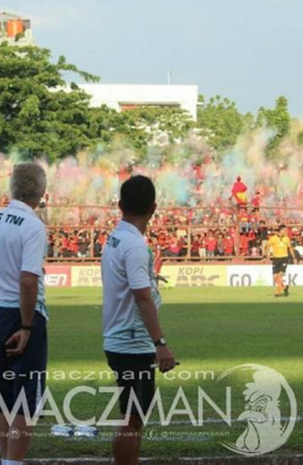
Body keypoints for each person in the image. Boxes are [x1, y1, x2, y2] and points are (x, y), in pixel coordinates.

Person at [101, 175, 176, 465]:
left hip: (123, 337)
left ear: (120, 205)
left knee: (134, 415)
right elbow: (142, 298)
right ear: (154, 208)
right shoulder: (133, 245)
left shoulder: (116, 237)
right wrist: (161, 343)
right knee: (132, 417)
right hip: (131, 342)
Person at [0, 162, 48, 465]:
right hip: (19, 314)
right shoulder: (34, 226)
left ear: (12, 187)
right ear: (42, 193)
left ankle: (6, 459)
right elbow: (28, 279)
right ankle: (13, 462)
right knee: (25, 398)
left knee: (4, 391)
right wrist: (27, 325)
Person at [267, 225, 296, 297]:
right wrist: (265, 255)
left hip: (284, 258)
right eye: (284, 231)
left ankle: (278, 292)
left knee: (279, 276)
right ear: (280, 230)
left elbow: (290, 248)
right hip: (276, 259)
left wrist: (294, 257)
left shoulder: (287, 239)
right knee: (275, 277)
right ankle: (284, 287)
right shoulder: (273, 238)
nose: (285, 232)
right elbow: (268, 246)